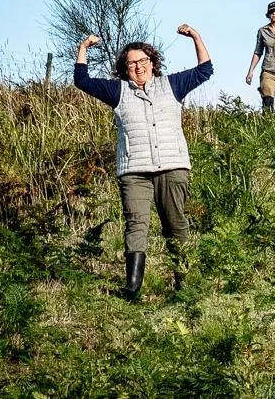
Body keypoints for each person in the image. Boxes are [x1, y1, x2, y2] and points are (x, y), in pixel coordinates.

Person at [73, 24, 213, 300]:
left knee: (175, 224)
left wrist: (196, 37)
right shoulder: (118, 91)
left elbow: (205, 70)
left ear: (152, 62)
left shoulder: (172, 85)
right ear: (125, 68)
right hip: (134, 171)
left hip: (172, 166)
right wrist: (83, 48)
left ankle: (183, 283)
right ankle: (132, 287)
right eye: (131, 63)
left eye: (143, 61)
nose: (138, 67)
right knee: (136, 224)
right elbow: (82, 80)